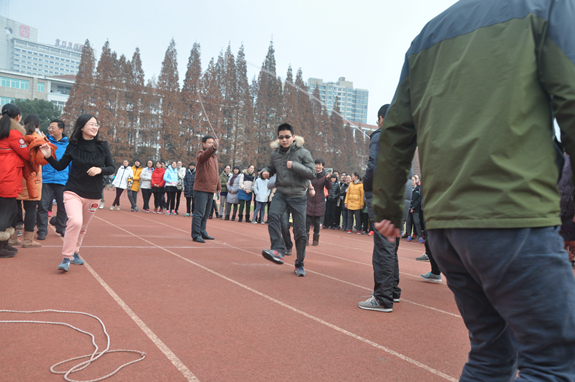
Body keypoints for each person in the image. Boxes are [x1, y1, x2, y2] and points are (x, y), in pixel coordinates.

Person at [372, 1, 575, 379]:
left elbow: (397, 129)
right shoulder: (546, 5)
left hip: (447, 228)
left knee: (491, 355)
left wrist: (386, 205)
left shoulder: (428, 34)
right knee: (554, 361)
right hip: (512, 212)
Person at [40, 113, 115, 271]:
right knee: (75, 222)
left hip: (93, 194)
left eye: (96, 124)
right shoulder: (72, 146)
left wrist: (99, 169)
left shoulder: (103, 145)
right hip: (73, 191)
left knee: (82, 227)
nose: (95, 127)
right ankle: (66, 257)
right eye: (91, 124)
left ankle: (75, 252)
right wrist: (48, 157)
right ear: (82, 127)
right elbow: (60, 166)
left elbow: (111, 168)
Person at [261, 123, 315, 277]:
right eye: (281, 137)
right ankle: (278, 250)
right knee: (272, 216)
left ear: (293, 137)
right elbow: (271, 168)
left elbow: (312, 174)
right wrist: (265, 172)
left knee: (300, 233)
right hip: (282, 193)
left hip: (298, 196)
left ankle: (299, 264)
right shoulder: (275, 154)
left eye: (287, 136)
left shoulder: (304, 153)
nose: (284, 140)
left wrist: (295, 165)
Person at [0, 104, 30, 258]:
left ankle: (4, 244)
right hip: (7, 179)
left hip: (4, 178)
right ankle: (0, 247)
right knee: (6, 214)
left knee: (8, 212)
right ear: (18, 117)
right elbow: (27, 154)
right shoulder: (13, 134)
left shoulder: (2, 132)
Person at [14, 114, 45, 248]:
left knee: (15, 208)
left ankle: (12, 238)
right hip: (33, 177)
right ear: (38, 126)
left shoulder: (18, 137)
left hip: (18, 175)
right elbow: (44, 160)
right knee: (31, 209)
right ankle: (28, 239)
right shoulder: (39, 139)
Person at [36, 119, 69, 240]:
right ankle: (42, 230)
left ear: (61, 130)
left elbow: (70, 163)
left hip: (62, 180)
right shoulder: (45, 142)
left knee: (63, 206)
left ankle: (61, 227)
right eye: (49, 127)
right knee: (43, 206)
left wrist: (69, 177)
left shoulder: (68, 145)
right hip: (46, 178)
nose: (50, 129)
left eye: (53, 127)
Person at [191, 135, 220, 243]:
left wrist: (218, 186)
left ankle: (202, 231)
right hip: (201, 189)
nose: (211, 144)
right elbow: (204, 157)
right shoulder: (201, 154)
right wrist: (213, 148)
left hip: (210, 189)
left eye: (212, 143)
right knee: (199, 213)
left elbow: (216, 173)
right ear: (203, 144)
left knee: (207, 213)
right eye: (209, 143)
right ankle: (196, 234)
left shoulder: (214, 158)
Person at [306, 158, 331, 246]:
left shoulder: (325, 176)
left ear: (323, 166)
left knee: (317, 221)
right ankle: (306, 239)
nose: (318, 166)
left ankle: (315, 240)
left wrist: (328, 179)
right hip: (309, 198)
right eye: (316, 164)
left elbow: (329, 187)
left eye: (320, 164)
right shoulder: (310, 173)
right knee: (307, 220)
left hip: (319, 200)